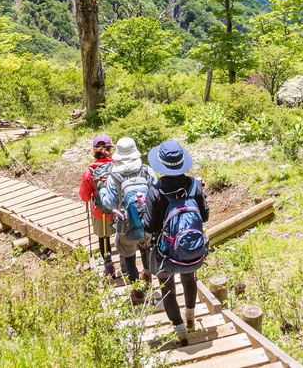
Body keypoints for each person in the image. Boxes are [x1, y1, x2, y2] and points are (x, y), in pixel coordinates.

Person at [143, 139, 209, 341]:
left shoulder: (156, 189)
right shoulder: (193, 185)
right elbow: (204, 216)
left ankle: (180, 333)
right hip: (190, 249)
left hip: (164, 253)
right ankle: (190, 319)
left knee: (168, 290)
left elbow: (149, 226)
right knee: (189, 279)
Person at [99, 137, 156, 304]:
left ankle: (137, 292)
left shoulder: (114, 176)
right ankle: (147, 273)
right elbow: (156, 192)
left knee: (129, 257)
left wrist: (102, 190)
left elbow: (109, 203)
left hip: (125, 226)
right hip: (147, 223)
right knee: (146, 249)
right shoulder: (146, 170)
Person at [78, 134, 116, 277]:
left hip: (101, 212)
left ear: (94, 151)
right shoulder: (118, 166)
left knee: (103, 238)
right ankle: (125, 262)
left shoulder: (90, 171)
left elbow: (85, 196)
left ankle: (109, 268)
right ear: (110, 149)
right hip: (119, 210)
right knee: (122, 234)